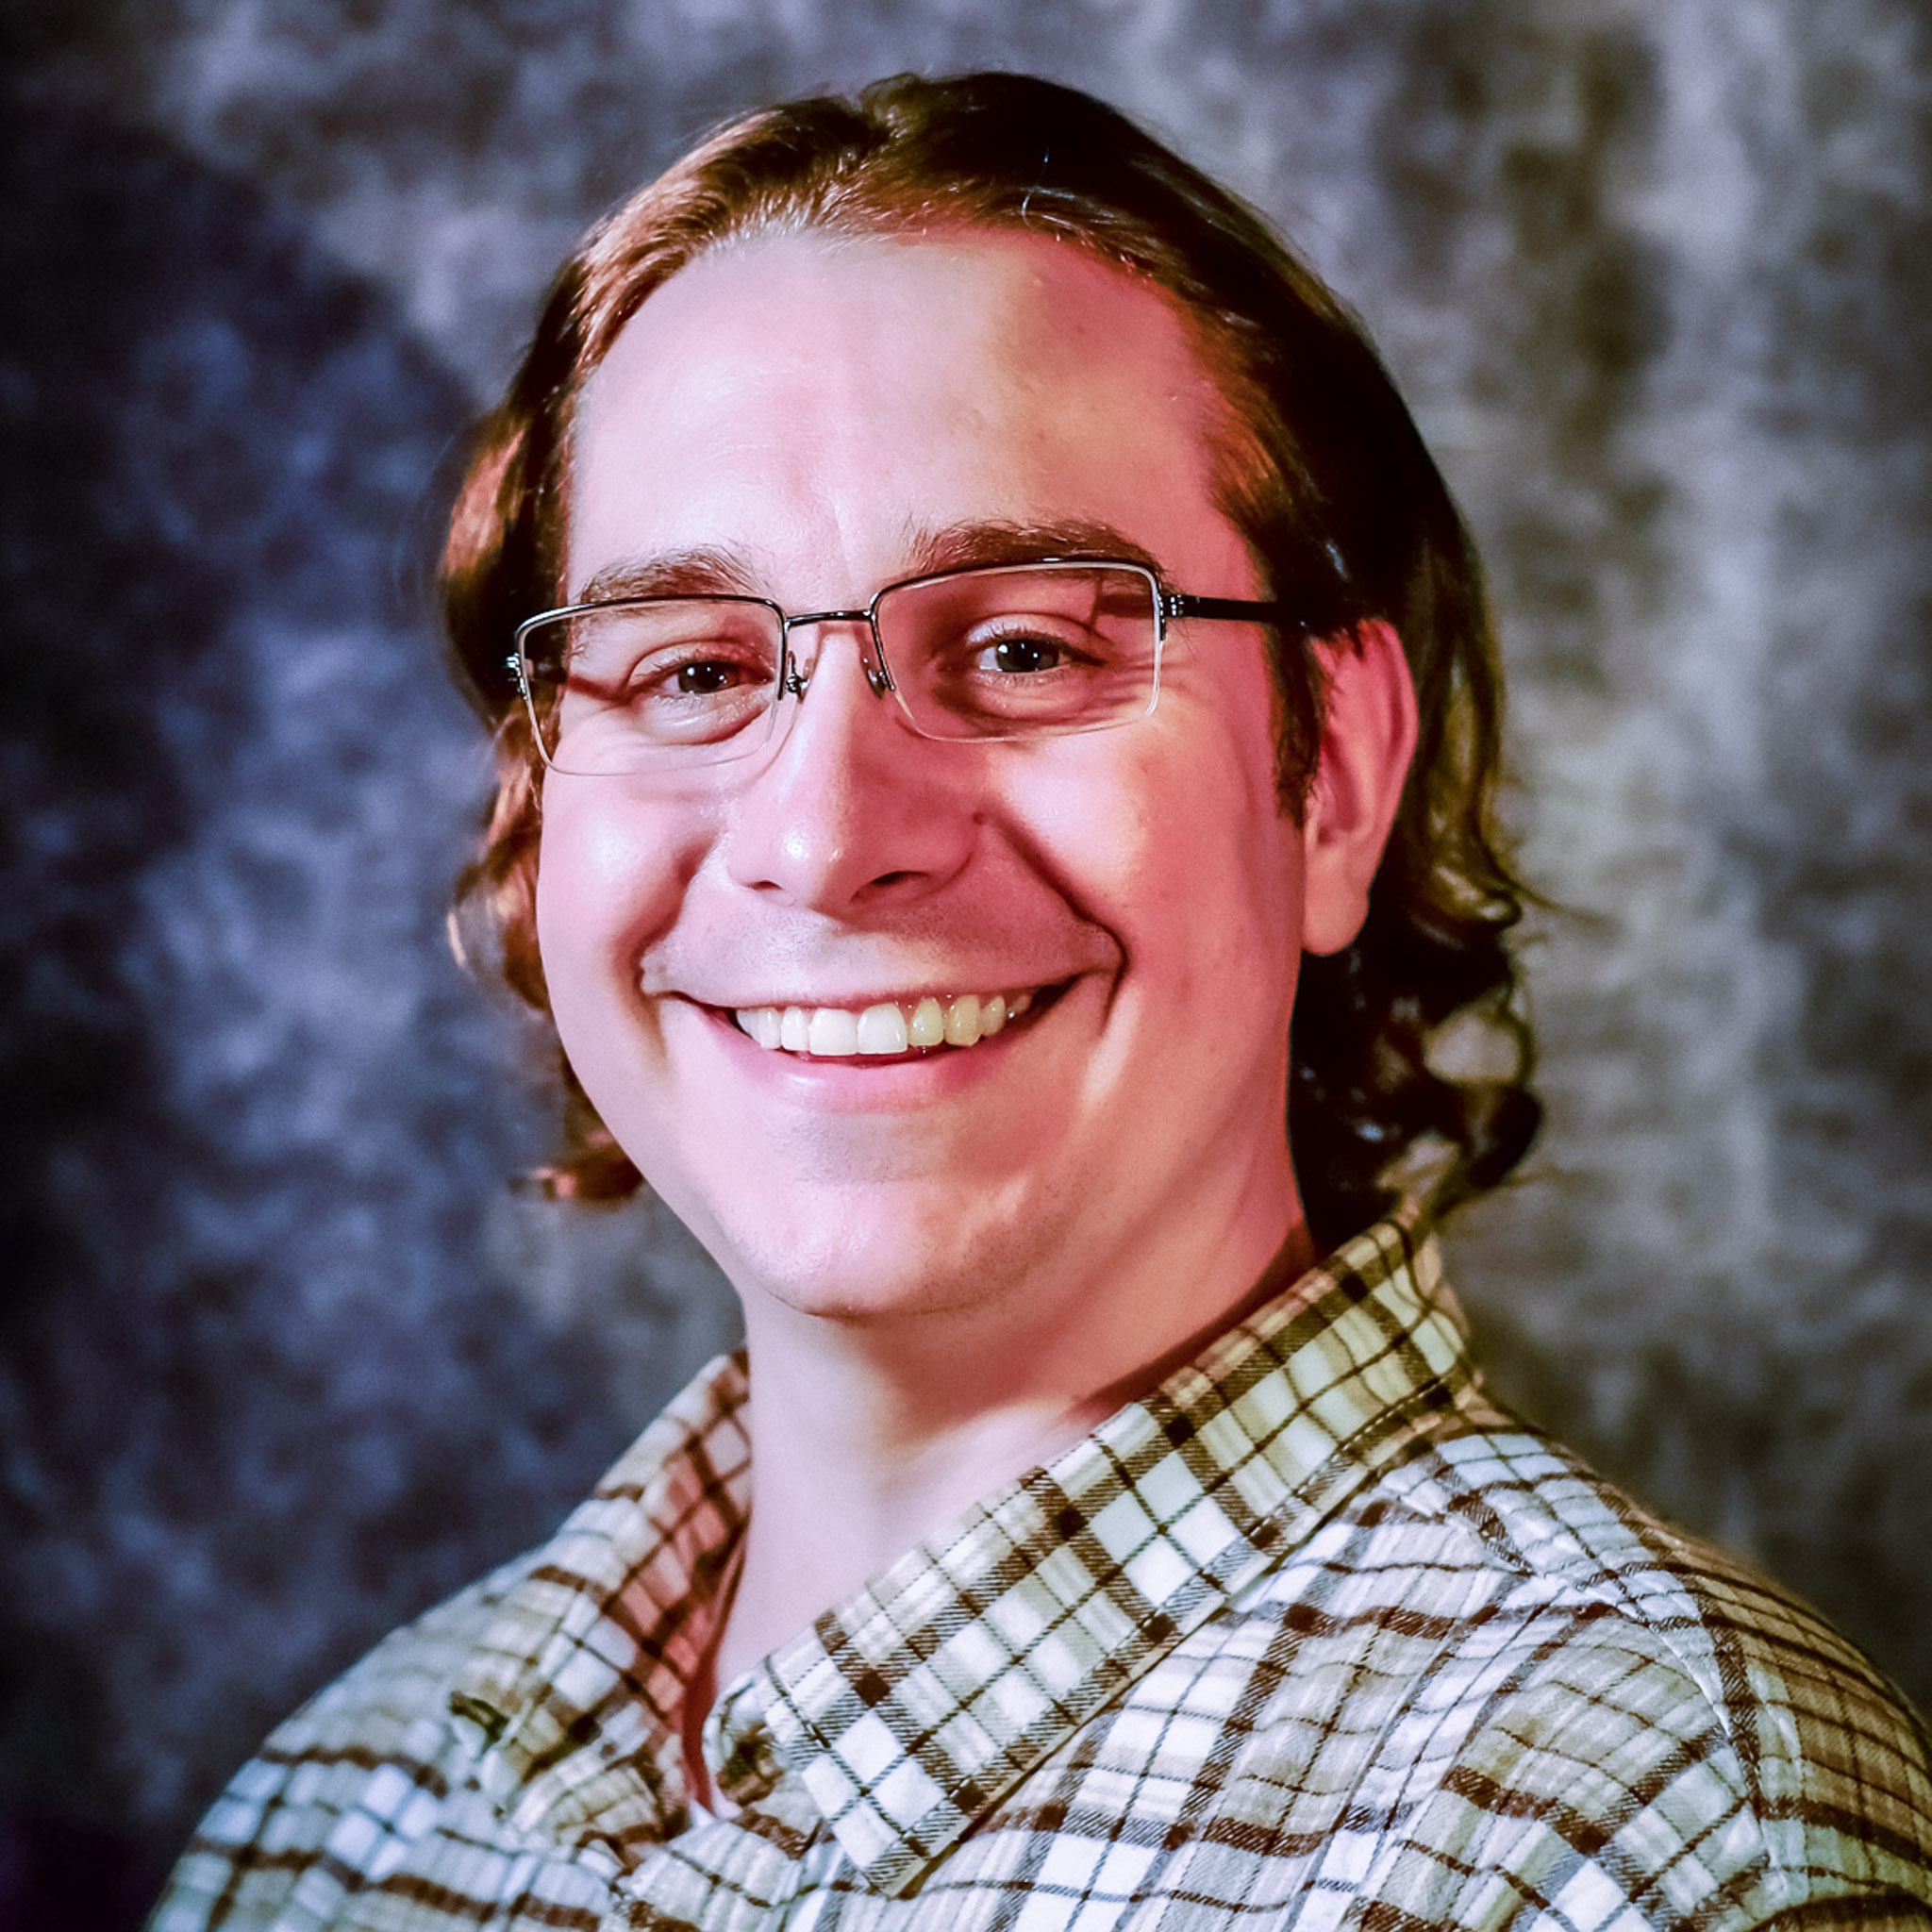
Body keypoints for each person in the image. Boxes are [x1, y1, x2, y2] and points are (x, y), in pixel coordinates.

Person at [152, 71, 1932, 1932]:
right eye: (687, 670)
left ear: (1334, 782)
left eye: (1021, 647)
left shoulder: (1630, 1825)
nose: (826, 837)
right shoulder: (330, 1821)